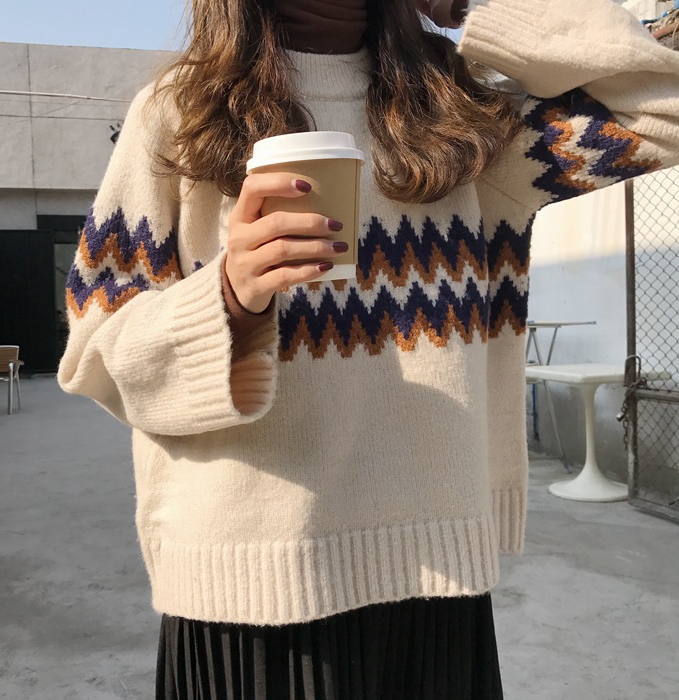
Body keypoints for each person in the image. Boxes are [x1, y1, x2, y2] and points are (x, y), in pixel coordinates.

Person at [58, 0, 679, 697]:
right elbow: (95, 351)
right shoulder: (182, 114)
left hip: (434, 572)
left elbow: (664, 107)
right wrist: (230, 296)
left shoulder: (460, 116)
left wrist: (476, 4)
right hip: (251, 582)